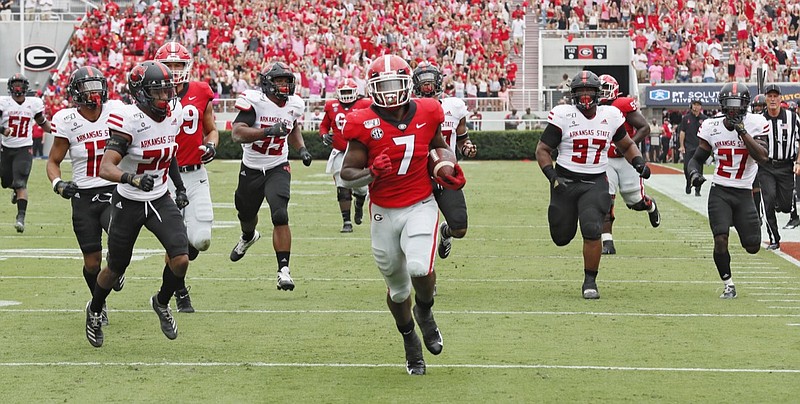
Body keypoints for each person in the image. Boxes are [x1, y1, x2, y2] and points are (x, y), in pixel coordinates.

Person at [340, 55, 466, 376]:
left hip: (421, 201)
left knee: (419, 267)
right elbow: (347, 174)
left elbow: (439, 147)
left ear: (408, 83)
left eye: (396, 84)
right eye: (384, 86)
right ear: (371, 89)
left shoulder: (428, 110)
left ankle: (425, 312)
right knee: (397, 290)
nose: (392, 93)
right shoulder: (361, 120)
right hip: (383, 211)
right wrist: (370, 172)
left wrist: (446, 166)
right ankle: (409, 337)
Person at [86, 61, 190, 347]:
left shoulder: (172, 116)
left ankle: (161, 301)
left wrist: (179, 187)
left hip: (158, 197)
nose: (165, 98)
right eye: (158, 92)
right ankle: (95, 309)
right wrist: (130, 178)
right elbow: (106, 168)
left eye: (168, 91)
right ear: (141, 93)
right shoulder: (129, 120)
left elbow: (168, 154)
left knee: (181, 258)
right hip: (129, 201)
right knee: (116, 267)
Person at [535, 71, 651, 300]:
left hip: (595, 181)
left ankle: (590, 281)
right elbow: (542, 150)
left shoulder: (611, 115)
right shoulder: (563, 115)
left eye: (589, 92)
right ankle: (571, 238)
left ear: (598, 94)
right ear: (573, 95)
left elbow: (627, 145)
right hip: (565, 181)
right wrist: (552, 176)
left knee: (592, 229)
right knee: (561, 237)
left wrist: (639, 162)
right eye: (581, 92)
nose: (585, 96)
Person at [47, 67, 126, 327]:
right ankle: (97, 303)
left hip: (112, 189)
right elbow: (54, 161)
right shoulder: (66, 119)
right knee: (92, 263)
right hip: (82, 195)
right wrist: (59, 184)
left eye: (96, 86)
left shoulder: (116, 111)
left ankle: (117, 267)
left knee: (119, 237)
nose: (93, 92)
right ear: (76, 91)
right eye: (87, 87)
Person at [229, 62, 313, 291]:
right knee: (246, 213)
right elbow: (236, 134)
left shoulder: (294, 104)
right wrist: (267, 131)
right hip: (252, 168)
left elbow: (293, 127)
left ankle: (283, 270)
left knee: (280, 213)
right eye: (279, 81)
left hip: (278, 166)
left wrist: (302, 149)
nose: (284, 86)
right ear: (267, 83)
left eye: (287, 81)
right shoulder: (255, 102)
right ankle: (248, 236)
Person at [687, 82, 769, 298]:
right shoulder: (711, 126)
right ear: (722, 106)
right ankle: (728, 284)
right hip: (720, 190)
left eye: (737, 105)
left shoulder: (756, 122)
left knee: (752, 246)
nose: (733, 110)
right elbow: (696, 159)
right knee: (720, 238)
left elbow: (762, 156)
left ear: (745, 106)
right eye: (729, 105)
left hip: (744, 192)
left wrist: (742, 132)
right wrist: (694, 174)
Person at [155, 41, 220, 313]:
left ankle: (177, 276)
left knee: (201, 240)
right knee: (175, 241)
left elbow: (211, 130)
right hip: (165, 176)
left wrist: (212, 146)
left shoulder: (201, 91)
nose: (173, 70)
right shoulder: (152, 94)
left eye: (177, 65)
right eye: (168, 65)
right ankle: (178, 291)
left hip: (196, 174)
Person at [411, 62, 477, 260]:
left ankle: (446, 232)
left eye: (430, 83)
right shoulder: (409, 108)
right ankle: (425, 273)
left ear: (438, 82)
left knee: (460, 228)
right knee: (422, 233)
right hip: (418, 176)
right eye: (423, 84)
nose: (427, 87)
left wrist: (467, 147)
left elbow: (463, 137)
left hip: (446, 174)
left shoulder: (454, 106)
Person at [596, 74, 660, 255]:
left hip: (626, 159)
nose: (602, 93)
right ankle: (607, 242)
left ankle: (650, 205)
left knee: (635, 202)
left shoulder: (622, 105)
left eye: (605, 89)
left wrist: (627, 145)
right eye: (599, 89)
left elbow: (644, 128)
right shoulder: (593, 108)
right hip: (605, 160)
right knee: (605, 200)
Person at [319, 77, 371, 233]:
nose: (347, 95)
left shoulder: (365, 104)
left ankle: (359, 203)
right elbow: (324, 125)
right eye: (344, 92)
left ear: (356, 92)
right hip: (339, 152)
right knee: (342, 186)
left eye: (350, 91)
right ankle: (346, 221)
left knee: (362, 189)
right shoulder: (331, 106)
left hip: (359, 151)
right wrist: (323, 135)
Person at [1, 74, 52, 233]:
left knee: (21, 183)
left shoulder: (33, 103)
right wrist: (3, 130)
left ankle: (20, 218)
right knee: (5, 182)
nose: (18, 88)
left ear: (25, 87)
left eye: (20, 84)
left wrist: (58, 132)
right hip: (6, 148)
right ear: (10, 87)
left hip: (25, 148)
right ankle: (15, 190)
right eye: (15, 84)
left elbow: (42, 122)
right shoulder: (4, 103)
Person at [758, 84, 800, 250]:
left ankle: (777, 201)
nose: (773, 99)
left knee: (784, 206)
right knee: (768, 201)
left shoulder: (792, 117)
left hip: (786, 166)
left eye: (776, 96)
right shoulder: (759, 119)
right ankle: (774, 238)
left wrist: (798, 162)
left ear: (781, 98)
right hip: (766, 166)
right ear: (765, 98)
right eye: (770, 96)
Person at [679, 99, 708, 196]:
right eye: (694, 105)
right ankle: (688, 183)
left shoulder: (704, 119)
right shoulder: (686, 118)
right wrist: (682, 145)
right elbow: (682, 132)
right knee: (687, 167)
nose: (696, 107)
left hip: (700, 147)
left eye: (698, 105)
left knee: (699, 169)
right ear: (691, 106)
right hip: (688, 147)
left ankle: (698, 189)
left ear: (701, 107)